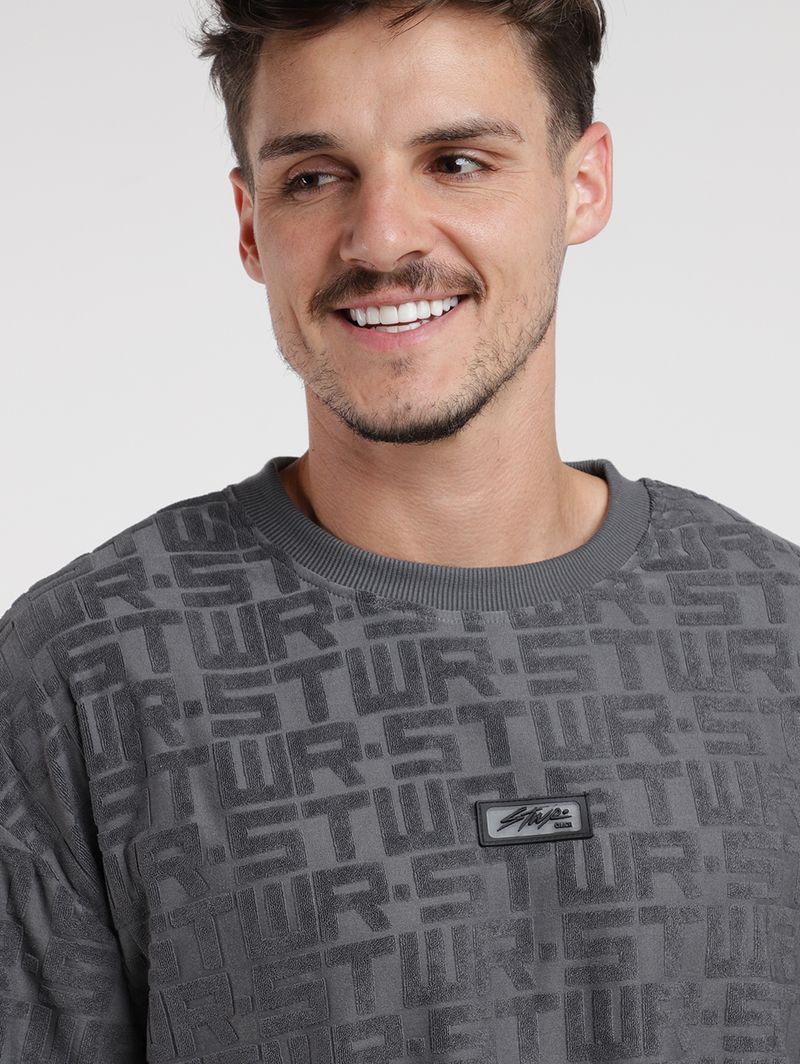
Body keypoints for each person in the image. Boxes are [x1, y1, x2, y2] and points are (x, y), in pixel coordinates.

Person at [1, 1, 798, 1060]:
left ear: (583, 183)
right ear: (249, 224)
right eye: (313, 176)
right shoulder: (85, 672)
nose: (381, 238)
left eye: (456, 163)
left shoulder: (776, 632)